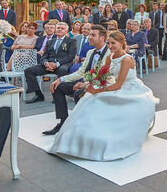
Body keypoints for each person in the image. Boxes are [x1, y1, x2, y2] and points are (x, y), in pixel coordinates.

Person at [47, 30, 157, 160]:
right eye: (109, 43)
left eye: (113, 43)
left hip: (129, 88)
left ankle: (103, 136)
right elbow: (102, 75)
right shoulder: (110, 57)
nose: (110, 46)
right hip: (114, 86)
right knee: (88, 98)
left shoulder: (127, 59)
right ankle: (78, 137)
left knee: (96, 98)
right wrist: (88, 85)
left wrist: (96, 90)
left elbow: (118, 84)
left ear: (122, 43)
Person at [43, 25, 113, 135]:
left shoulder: (110, 54)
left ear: (102, 38)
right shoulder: (90, 52)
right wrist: (61, 79)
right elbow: (81, 72)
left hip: (103, 85)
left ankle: (84, 125)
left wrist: (85, 85)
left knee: (78, 93)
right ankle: (63, 122)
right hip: (88, 82)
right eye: (90, 34)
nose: (90, 37)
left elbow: (106, 76)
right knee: (57, 87)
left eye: (93, 35)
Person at [24, 21, 77, 103]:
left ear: (66, 31)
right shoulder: (50, 42)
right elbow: (44, 57)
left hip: (63, 64)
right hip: (49, 65)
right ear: (55, 30)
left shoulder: (71, 41)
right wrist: (46, 63)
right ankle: (38, 94)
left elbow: (70, 56)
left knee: (62, 70)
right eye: (58, 28)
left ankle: (57, 95)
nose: (59, 30)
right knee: (28, 70)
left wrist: (57, 64)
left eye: (62, 28)